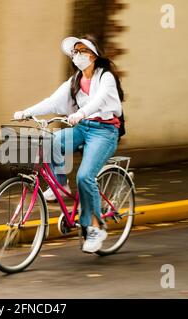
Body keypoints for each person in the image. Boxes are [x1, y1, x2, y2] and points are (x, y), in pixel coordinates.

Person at [13, 34, 124, 253]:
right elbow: (52, 101)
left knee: (85, 177)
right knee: (52, 141)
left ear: (92, 54)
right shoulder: (75, 80)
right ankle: (60, 185)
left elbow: (100, 100)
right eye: (74, 52)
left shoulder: (106, 77)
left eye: (81, 51)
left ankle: (95, 228)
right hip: (83, 128)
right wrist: (27, 112)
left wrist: (81, 113)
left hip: (105, 131)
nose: (77, 56)